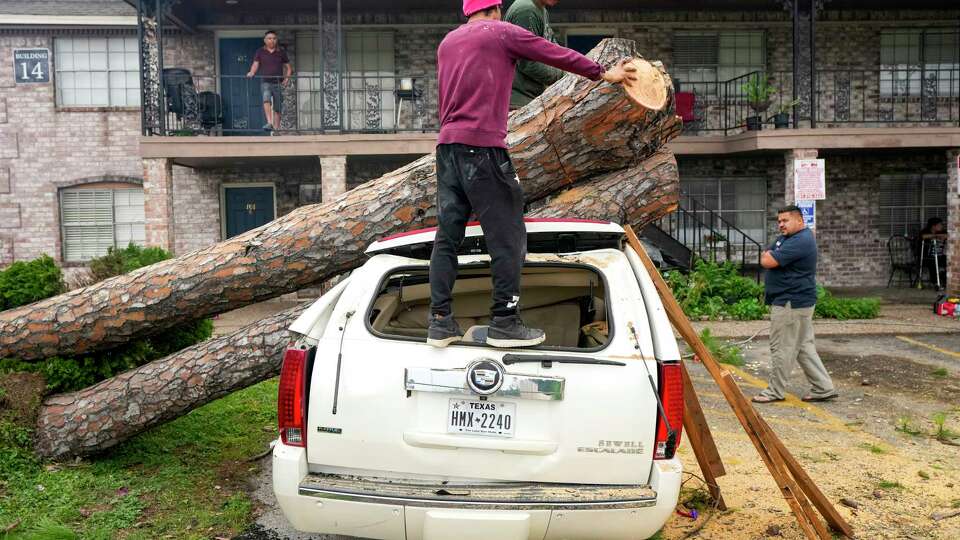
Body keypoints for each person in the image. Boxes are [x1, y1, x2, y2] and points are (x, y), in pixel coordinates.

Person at [427, 0, 636, 348]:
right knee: (509, 237)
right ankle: (505, 322)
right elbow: (551, 53)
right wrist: (602, 72)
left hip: (447, 149)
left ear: (468, 11)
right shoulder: (502, 32)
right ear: (496, 8)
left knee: (448, 238)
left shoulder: (448, 43)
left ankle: (440, 322)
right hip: (483, 150)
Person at [753, 205, 838, 404]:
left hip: (791, 303)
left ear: (800, 220)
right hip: (796, 301)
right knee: (803, 347)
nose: (781, 225)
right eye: (779, 221)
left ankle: (774, 391)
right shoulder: (787, 238)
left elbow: (767, 261)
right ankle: (823, 387)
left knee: (782, 347)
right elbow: (767, 254)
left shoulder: (801, 240)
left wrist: (770, 254)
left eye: (785, 221)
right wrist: (770, 254)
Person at [505, 0, 562, 109]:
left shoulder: (540, 9)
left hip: (528, 98)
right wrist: (564, 74)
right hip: (518, 102)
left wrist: (576, 66)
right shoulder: (526, 10)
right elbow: (528, 64)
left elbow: (552, 49)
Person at [246, 30, 291, 132]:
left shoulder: (281, 52)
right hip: (266, 81)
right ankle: (269, 122)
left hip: (278, 82)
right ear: (265, 40)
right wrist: (252, 72)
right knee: (266, 97)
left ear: (276, 40)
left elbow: (288, 68)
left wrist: (287, 78)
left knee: (278, 106)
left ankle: (276, 129)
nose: (272, 40)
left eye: (274, 38)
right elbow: (255, 64)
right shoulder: (260, 51)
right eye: (270, 38)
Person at [916, 217, 947, 288]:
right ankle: (935, 282)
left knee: (948, 261)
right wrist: (936, 236)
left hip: (938, 255)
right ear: (933, 226)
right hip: (925, 257)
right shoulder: (924, 231)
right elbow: (923, 236)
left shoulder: (942, 231)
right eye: (939, 225)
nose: (941, 226)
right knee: (932, 262)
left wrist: (940, 236)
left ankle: (944, 278)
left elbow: (947, 235)